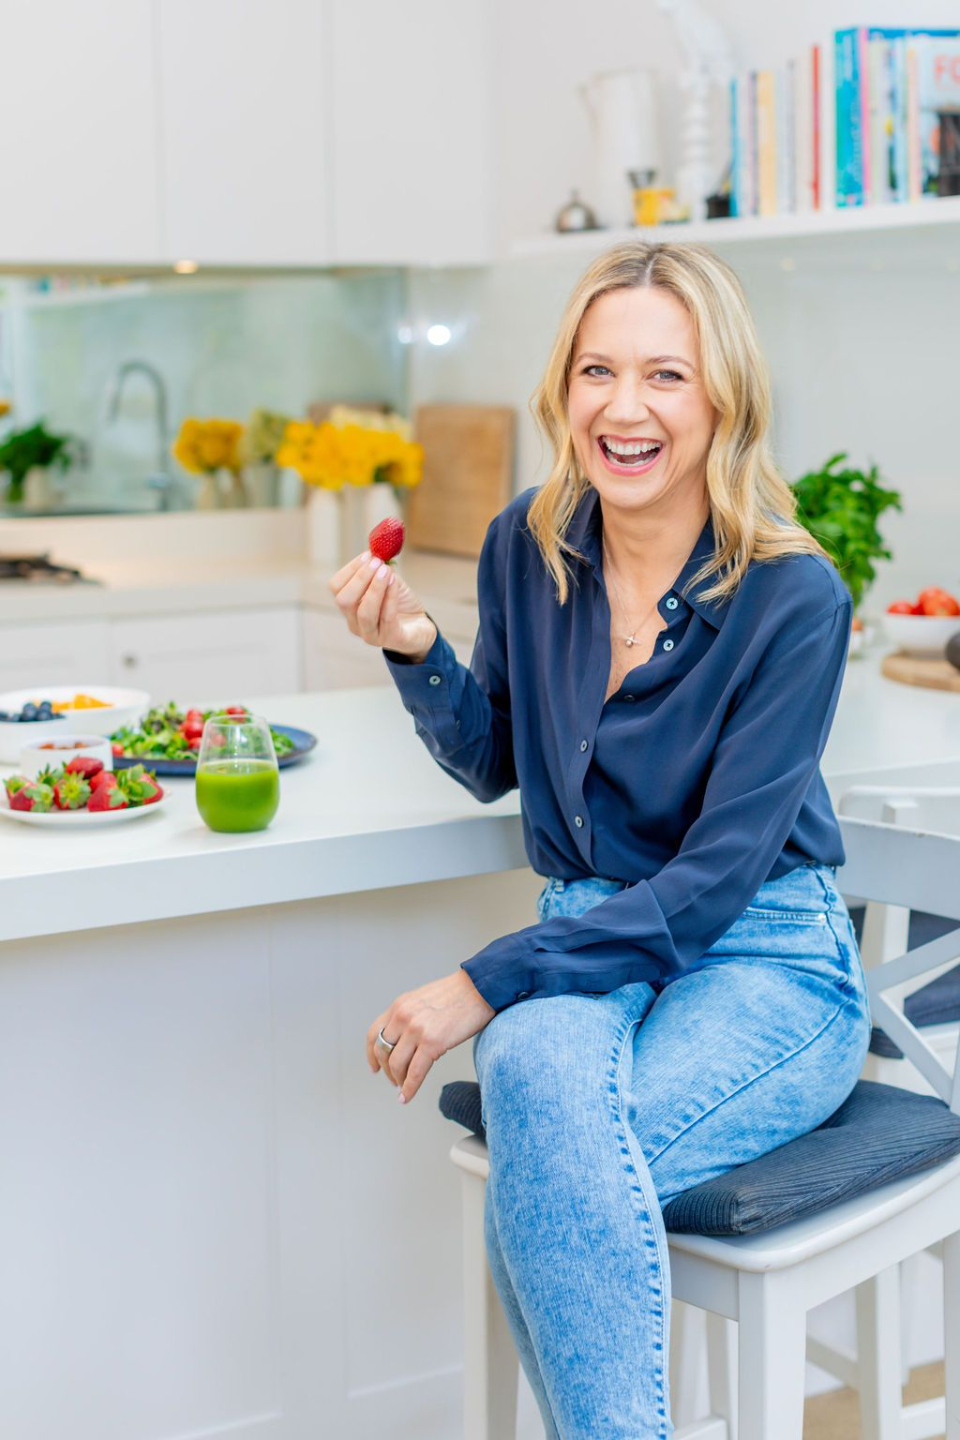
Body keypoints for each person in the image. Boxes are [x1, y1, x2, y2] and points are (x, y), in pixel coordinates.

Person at [328, 241, 871, 1439]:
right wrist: (416, 647)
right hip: (588, 934)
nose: (625, 409)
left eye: (666, 375)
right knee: (534, 1089)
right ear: (563, 389)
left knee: (550, 1164)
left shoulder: (794, 598)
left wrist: (484, 979)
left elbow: (713, 885)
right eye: (598, 371)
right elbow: (498, 760)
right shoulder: (527, 547)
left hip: (766, 956)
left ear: (723, 399)